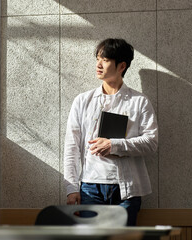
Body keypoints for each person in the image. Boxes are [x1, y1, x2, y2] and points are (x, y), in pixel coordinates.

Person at [63, 38, 158, 226]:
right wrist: (71, 187)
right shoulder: (83, 101)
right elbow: (72, 146)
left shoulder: (139, 101)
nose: (98, 64)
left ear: (121, 65)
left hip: (127, 190)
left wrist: (114, 145)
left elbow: (151, 142)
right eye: (98, 58)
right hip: (90, 188)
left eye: (105, 60)